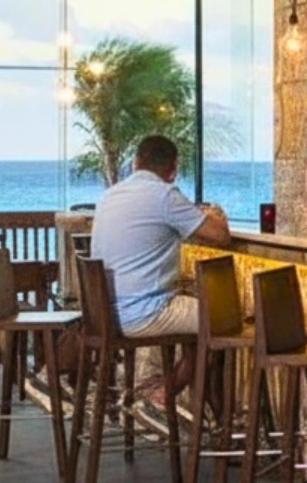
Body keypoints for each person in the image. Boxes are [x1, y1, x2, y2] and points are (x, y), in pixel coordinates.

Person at [86, 134, 231, 396]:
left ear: (136, 162)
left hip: (103, 315)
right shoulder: (165, 196)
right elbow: (220, 235)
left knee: (196, 317)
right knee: (222, 319)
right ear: (173, 170)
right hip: (142, 315)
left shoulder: (108, 196)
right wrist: (214, 214)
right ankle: (161, 398)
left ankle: (156, 392)